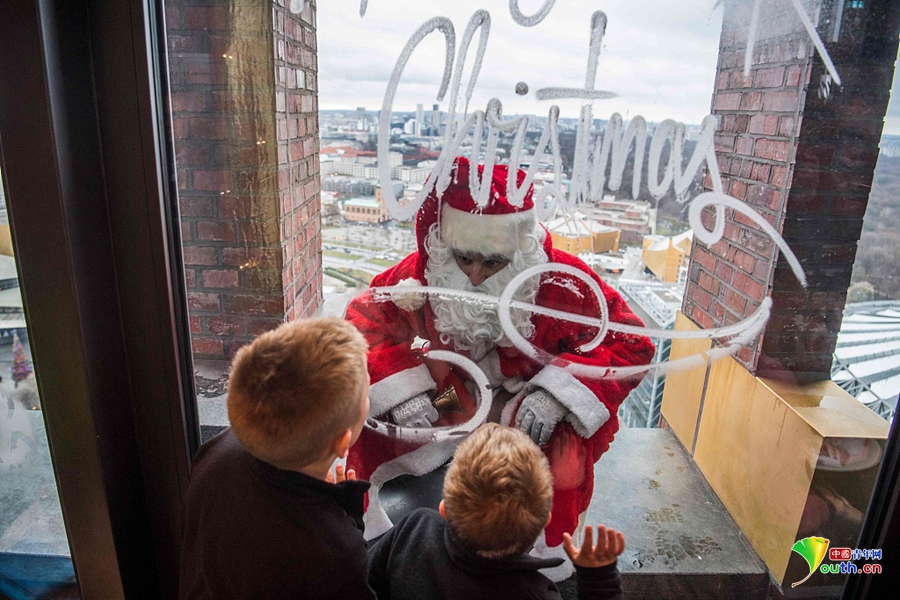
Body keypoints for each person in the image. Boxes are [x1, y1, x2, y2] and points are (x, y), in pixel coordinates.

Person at [345, 156, 654, 573]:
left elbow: (630, 344)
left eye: (492, 263)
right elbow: (363, 326)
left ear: (520, 251)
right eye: (464, 258)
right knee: (366, 419)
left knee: (564, 443)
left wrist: (556, 393)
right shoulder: (418, 276)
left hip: (524, 406)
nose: (474, 275)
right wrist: (402, 384)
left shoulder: (565, 281)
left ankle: (549, 555)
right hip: (449, 398)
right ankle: (355, 527)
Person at [178, 317, 376, 600]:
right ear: (343, 442)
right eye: (367, 396)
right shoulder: (335, 553)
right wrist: (348, 518)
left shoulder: (217, 453)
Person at [367, 423, 625, 599]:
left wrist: (347, 515)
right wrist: (598, 581)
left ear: (444, 509)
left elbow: (357, 577)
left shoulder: (414, 531)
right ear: (544, 522)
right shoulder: (535, 593)